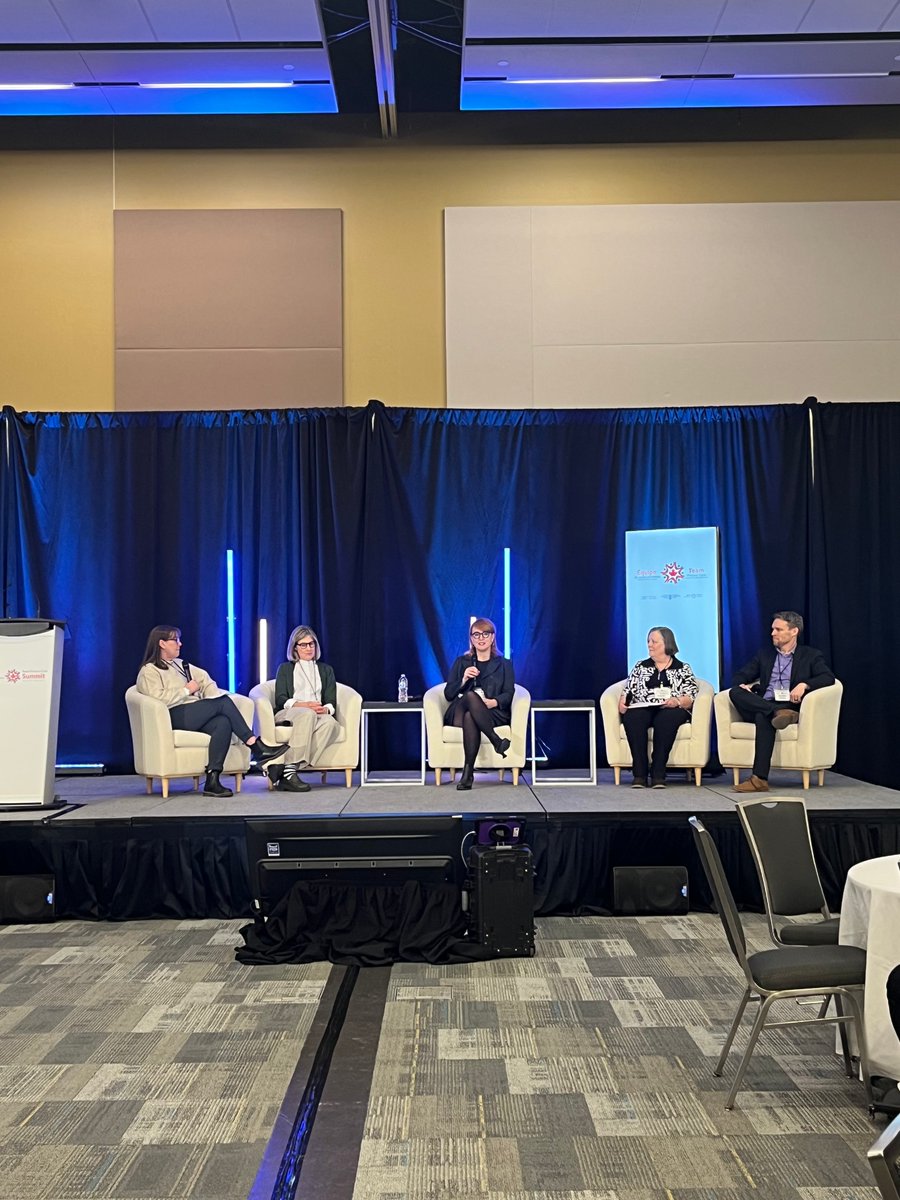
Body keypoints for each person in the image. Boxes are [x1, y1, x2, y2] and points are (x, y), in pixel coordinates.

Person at [137, 626, 286, 797]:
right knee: (223, 703)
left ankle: (212, 780)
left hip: (193, 713)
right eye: (175, 640)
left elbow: (206, 680)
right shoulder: (149, 671)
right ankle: (255, 746)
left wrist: (207, 697)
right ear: (162, 643)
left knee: (222, 722)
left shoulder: (181, 665)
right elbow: (158, 700)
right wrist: (186, 691)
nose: (180, 644)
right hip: (170, 716)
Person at [730, 610, 835, 793]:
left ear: (794, 631)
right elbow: (741, 674)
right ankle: (775, 712)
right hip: (767, 703)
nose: (773, 633)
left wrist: (805, 684)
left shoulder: (810, 655)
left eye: (778, 629)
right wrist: (743, 684)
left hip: (788, 704)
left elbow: (828, 677)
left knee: (763, 717)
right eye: (773, 629)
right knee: (735, 693)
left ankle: (759, 779)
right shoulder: (765, 655)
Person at [618, 626, 699, 789]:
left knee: (667, 720)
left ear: (666, 644)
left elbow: (691, 697)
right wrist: (624, 703)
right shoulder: (641, 666)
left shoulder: (683, 668)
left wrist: (676, 701)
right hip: (643, 707)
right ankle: (639, 774)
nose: (649, 645)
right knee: (633, 718)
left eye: (654, 641)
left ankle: (658, 774)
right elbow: (626, 694)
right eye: (648, 641)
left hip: (671, 708)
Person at [443, 617, 514, 791]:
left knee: (471, 717)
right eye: (476, 635)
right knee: (469, 696)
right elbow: (448, 694)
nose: (481, 638)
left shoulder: (504, 664)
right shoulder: (462, 662)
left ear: (492, 638)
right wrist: (463, 678)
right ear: (471, 639)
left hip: (491, 713)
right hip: (459, 710)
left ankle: (467, 773)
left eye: (485, 634)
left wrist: (494, 702)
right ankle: (496, 740)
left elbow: (509, 693)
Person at [271, 625, 342, 794]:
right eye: (303, 645)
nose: (309, 648)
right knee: (307, 714)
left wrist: (325, 710)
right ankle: (289, 772)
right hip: (289, 712)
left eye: (312, 644)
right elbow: (281, 699)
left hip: (316, 713)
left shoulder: (326, 670)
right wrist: (304, 705)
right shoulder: (285, 669)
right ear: (295, 648)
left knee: (331, 724)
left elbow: (331, 700)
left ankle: (288, 769)